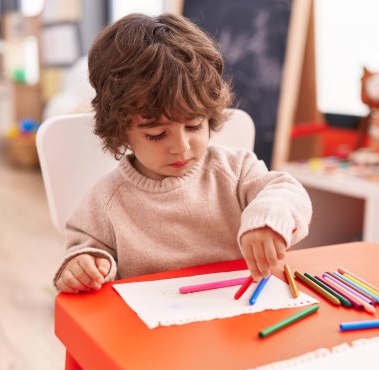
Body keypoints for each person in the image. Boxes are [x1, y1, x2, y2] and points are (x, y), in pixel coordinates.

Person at [54, 13, 312, 293]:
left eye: (194, 125)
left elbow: (286, 191)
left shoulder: (234, 170)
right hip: (151, 325)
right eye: (156, 134)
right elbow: (83, 249)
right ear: (120, 129)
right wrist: (85, 264)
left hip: (235, 312)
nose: (181, 146)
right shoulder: (107, 199)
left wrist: (268, 220)